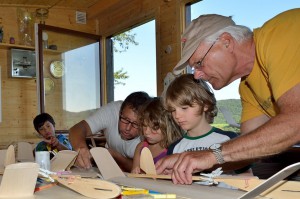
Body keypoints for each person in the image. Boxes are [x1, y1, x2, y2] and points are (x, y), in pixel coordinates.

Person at [156, 9, 300, 184]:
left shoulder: (279, 34)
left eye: (199, 63)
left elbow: (296, 120)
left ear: (226, 42)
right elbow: (247, 152)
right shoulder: (248, 88)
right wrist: (187, 161)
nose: (197, 75)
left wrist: (211, 155)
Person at [164, 74, 252, 176]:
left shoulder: (229, 139)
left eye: (184, 108)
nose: (177, 115)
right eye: (173, 110)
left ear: (205, 104)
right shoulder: (174, 148)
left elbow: (246, 176)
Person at [69, 91, 151, 172]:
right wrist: (81, 149)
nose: (128, 128)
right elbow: (77, 129)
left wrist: (116, 156)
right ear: (120, 112)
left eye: (136, 124)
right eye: (125, 120)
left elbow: (142, 170)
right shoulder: (112, 110)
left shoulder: (149, 130)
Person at [131, 97, 183, 174]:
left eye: (154, 127)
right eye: (144, 125)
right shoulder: (140, 148)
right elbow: (133, 174)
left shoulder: (176, 150)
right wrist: (135, 173)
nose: (146, 132)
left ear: (169, 126)